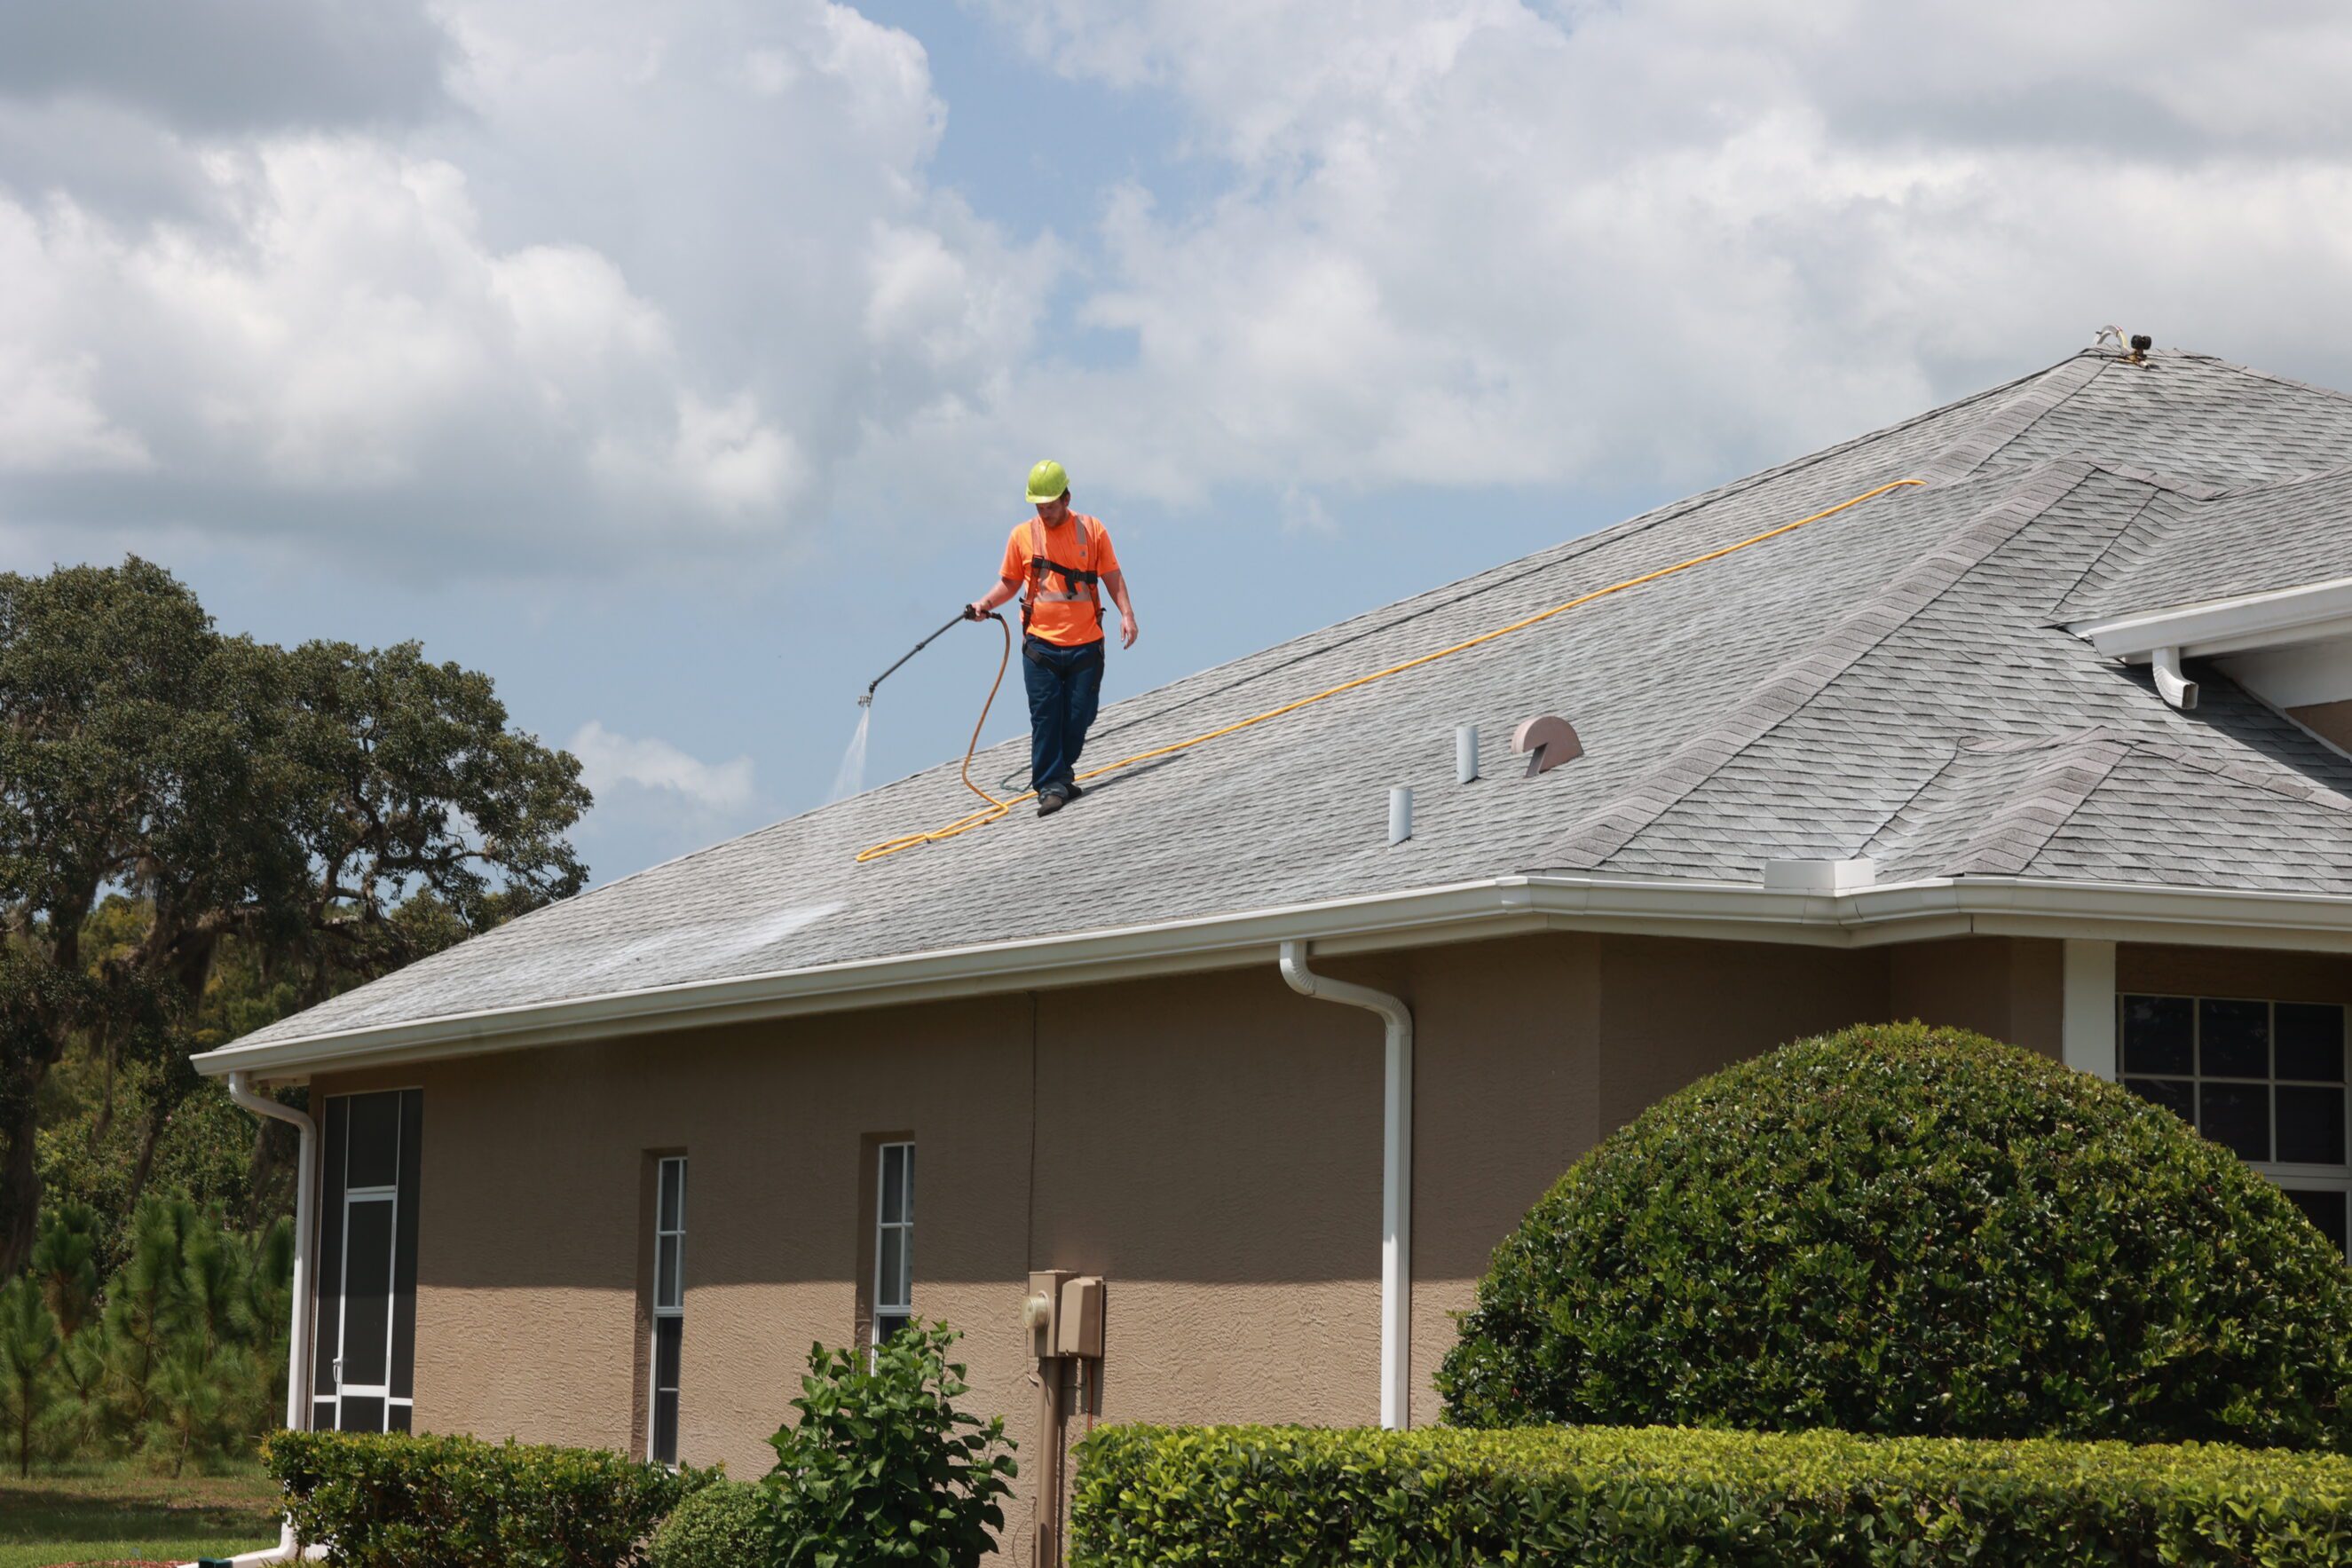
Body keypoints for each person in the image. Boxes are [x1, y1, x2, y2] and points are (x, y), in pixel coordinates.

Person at [966, 460, 1139, 816]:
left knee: (1080, 716)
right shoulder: (1022, 536)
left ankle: (1061, 774)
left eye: (1049, 506)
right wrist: (984, 604)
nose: (1044, 513)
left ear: (1066, 499)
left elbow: (1111, 574)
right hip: (1040, 647)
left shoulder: (1092, 530)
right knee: (1045, 717)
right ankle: (1050, 785)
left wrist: (1127, 614)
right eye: (1038, 507)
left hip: (1085, 645)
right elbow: (1010, 582)